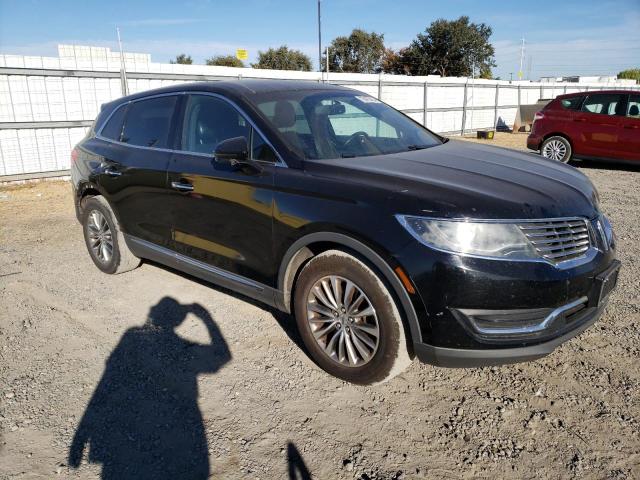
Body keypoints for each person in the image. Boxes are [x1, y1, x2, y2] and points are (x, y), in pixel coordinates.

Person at [69, 297, 231, 479]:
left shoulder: (132, 336)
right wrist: (207, 318)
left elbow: (106, 379)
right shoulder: (147, 340)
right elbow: (223, 355)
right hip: (172, 437)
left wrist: (80, 439)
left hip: (127, 442)